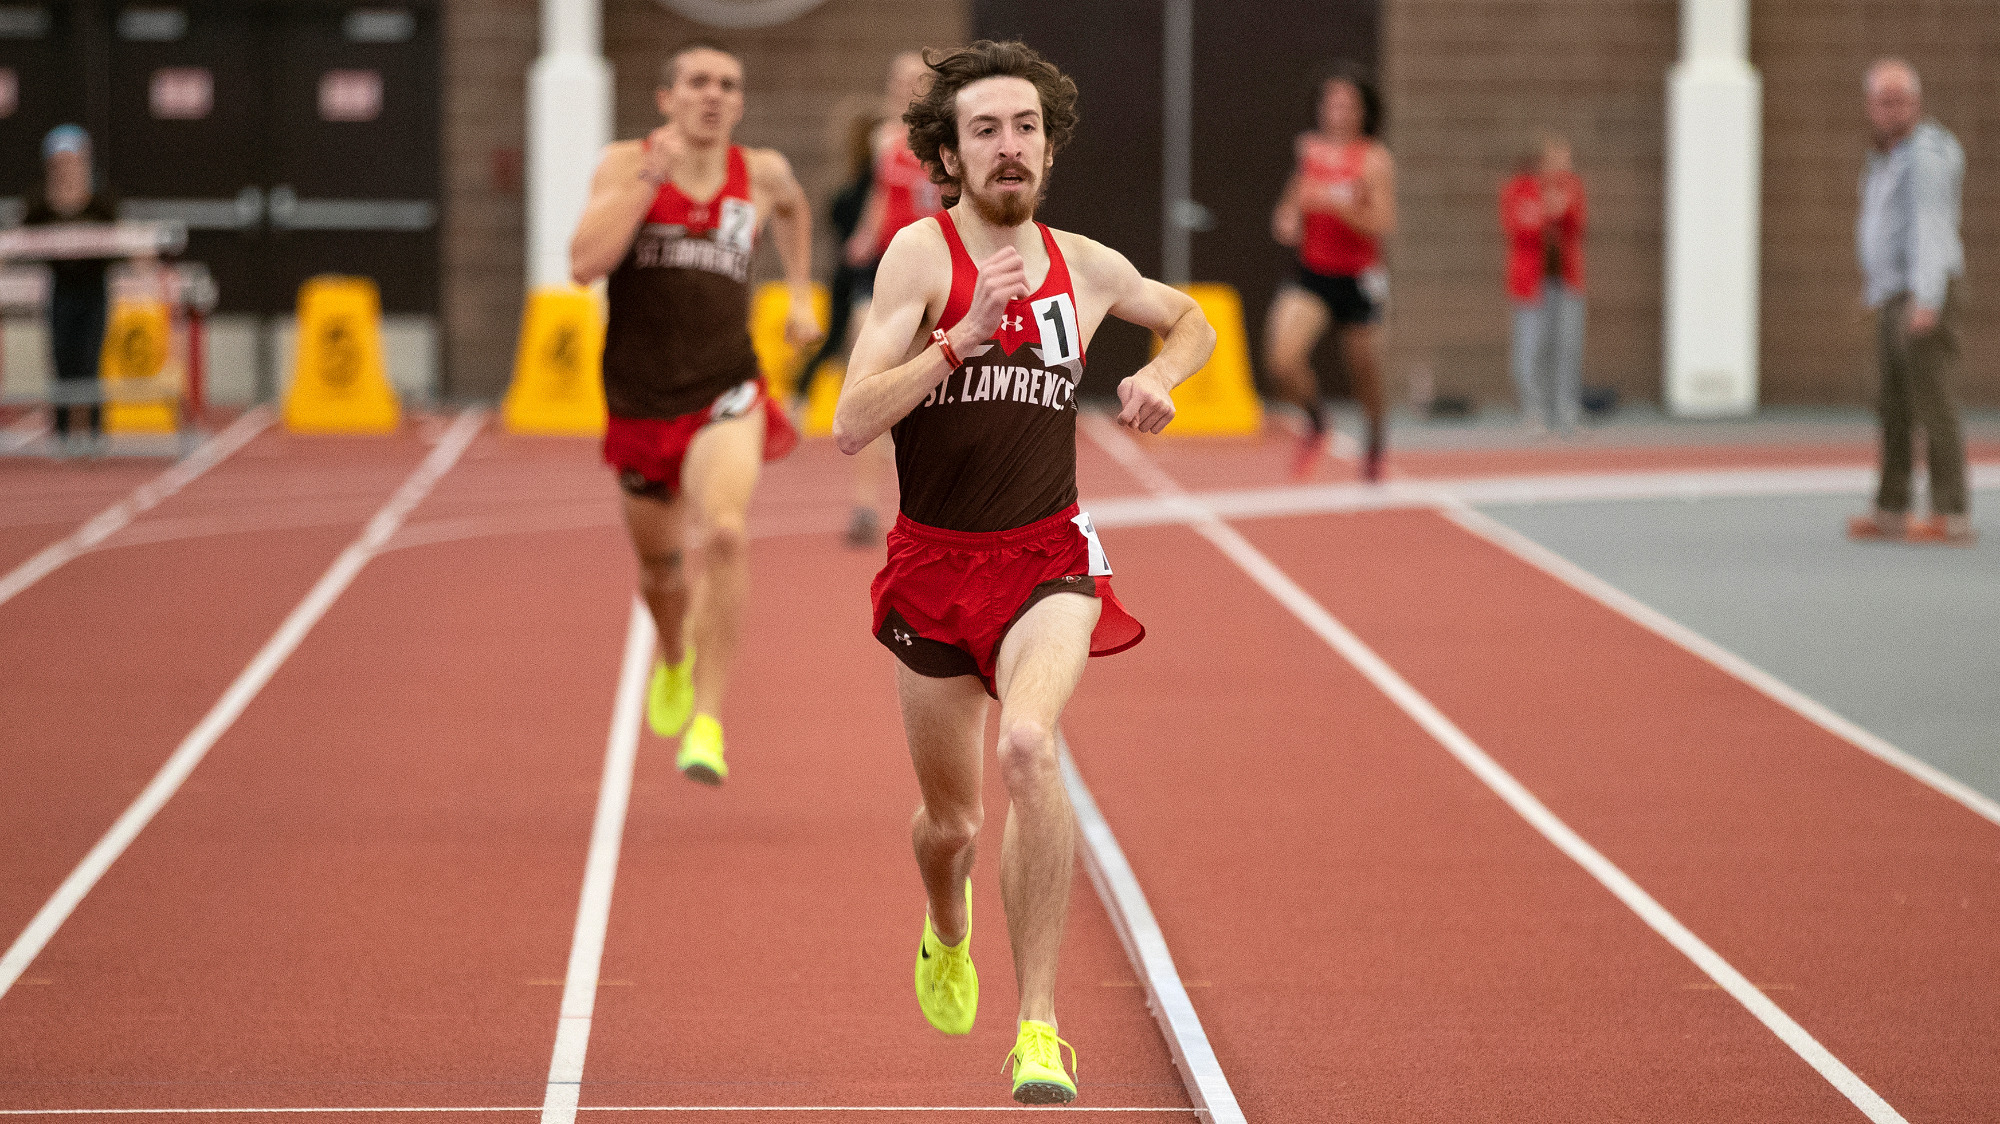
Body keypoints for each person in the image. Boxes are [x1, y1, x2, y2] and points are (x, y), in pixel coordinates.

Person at [832, 40, 1214, 1105]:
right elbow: (849, 422)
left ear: (1048, 146)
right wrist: (959, 338)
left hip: (1047, 557)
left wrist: (1161, 373)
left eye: (1025, 129)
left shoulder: (1085, 266)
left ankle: (1037, 1025)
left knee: (1032, 747)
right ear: (948, 154)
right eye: (985, 130)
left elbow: (1190, 317)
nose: (1008, 147)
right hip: (931, 563)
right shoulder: (917, 257)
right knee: (948, 822)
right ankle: (944, 922)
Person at [569, 41, 822, 782]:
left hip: (726, 389)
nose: (713, 95)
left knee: (726, 531)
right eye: (699, 82)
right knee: (660, 574)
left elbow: (795, 208)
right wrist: (649, 181)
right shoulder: (626, 163)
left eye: (727, 85)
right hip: (641, 400)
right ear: (667, 96)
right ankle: (674, 658)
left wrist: (801, 291)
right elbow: (584, 263)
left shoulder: (762, 172)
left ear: (739, 104)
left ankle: (707, 723)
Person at [1848, 58, 1974, 546]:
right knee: (1892, 404)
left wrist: (1927, 299)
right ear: (1870, 107)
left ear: (1915, 104)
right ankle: (1891, 508)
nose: (1891, 110)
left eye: (1900, 101)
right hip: (1892, 293)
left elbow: (1931, 229)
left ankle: (1951, 512)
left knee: (1933, 400)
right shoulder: (1884, 156)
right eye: (1883, 101)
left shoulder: (1926, 154)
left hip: (1923, 293)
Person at [832, 51, 943, 547]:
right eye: (900, 79)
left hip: (937, 277)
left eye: (918, 79)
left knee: (930, 399)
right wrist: (861, 237)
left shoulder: (949, 144)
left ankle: (928, 506)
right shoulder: (883, 141)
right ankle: (863, 506)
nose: (908, 86)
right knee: (870, 388)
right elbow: (881, 197)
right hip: (885, 274)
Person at [1265, 64, 1396, 481]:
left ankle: (1374, 443)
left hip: (1358, 279)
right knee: (1282, 361)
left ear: (1361, 111)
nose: (1336, 110)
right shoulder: (1310, 152)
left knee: (1363, 372)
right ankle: (1317, 421)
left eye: (1345, 104)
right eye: (1330, 102)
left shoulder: (1373, 158)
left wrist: (1339, 206)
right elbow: (1290, 207)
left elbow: (1382, 223)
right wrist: (1287, 219)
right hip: (1314, 274)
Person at [22, 125, 118, 455]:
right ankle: (61, 432)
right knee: (62, 358)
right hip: (60, 291)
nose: (67, 168)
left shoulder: (101, 202)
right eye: (60, 162)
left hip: (93, 290)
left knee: (90, 358)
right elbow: (23, 241)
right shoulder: (39, 203)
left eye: (73, 161)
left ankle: (92, 431)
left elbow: (118, 242)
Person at [1500, 133, 1588, 437]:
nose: (1561, 167)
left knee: (1567, 346)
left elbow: (1577, 224)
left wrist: (1558, 208)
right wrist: (1546, 211)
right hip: (1530, 283)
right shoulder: (1519, 190)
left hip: (1565, 281)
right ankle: (1533, 410)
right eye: (1555, 160)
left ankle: (1566, 410)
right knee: (1531, 347)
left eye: (1566, 161)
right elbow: (1517, 229)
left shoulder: (1572, 187)